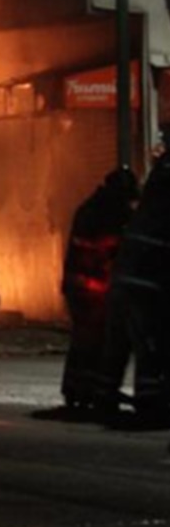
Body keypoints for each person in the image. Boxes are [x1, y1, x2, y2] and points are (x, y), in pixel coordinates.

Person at [59, 168, 139, 411]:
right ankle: (91, 390)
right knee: (96, 339)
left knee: (85, 340)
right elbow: (111, 249)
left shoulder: (91, 207)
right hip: (92, 287)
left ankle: (78, 389)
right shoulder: (107, 213)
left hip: (80, 286)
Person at [100, 154, 170, 422]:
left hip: (127, 277)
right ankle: (151, 402)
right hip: (148, 284)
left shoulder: (155, 195)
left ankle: (105, 395)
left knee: (120, 345)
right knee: (152, 346)